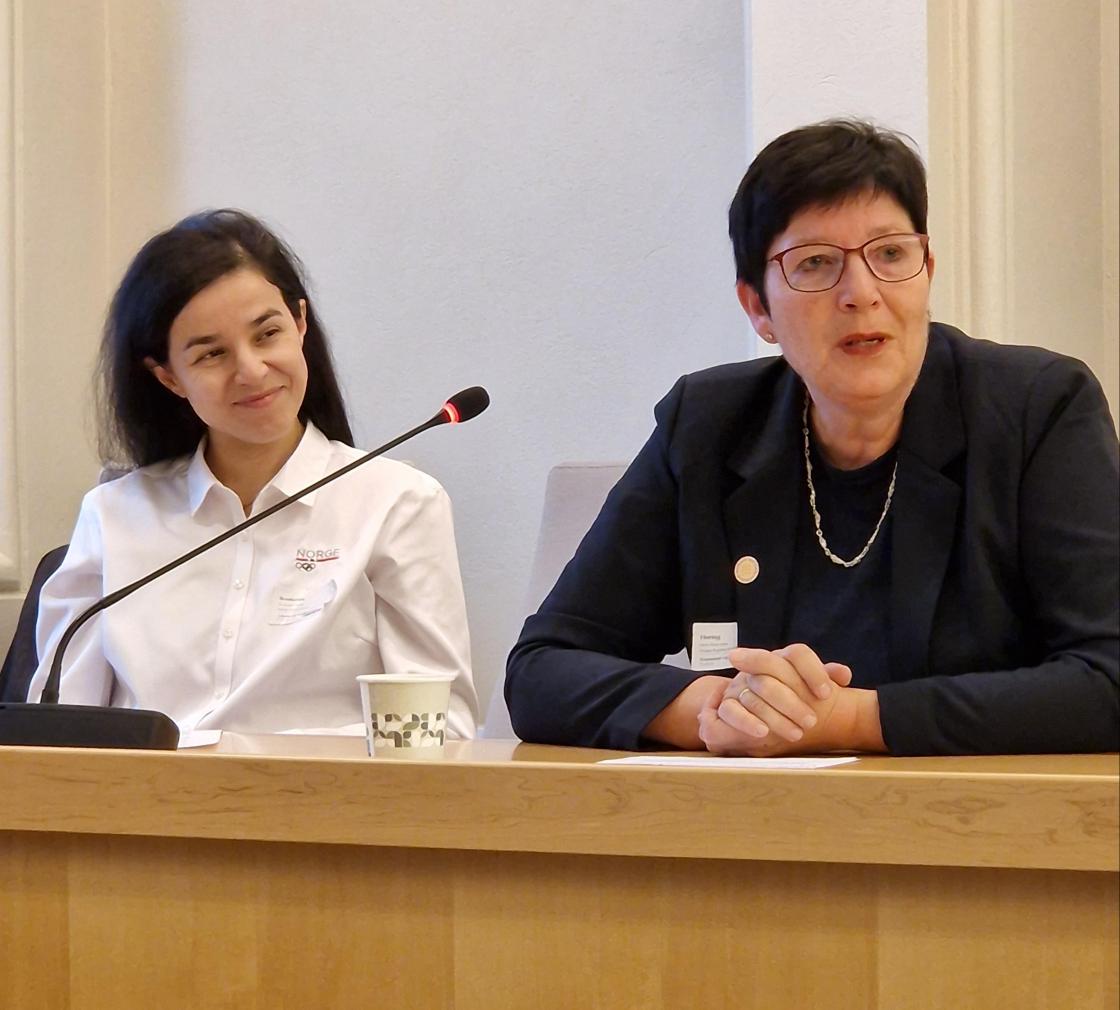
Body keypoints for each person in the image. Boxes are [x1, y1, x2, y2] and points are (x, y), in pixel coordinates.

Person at [505, 120, 1119, 756]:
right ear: (758, 309)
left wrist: (842, 721)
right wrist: (715, 709)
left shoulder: (1036, 409)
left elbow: (1109, 678)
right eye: (816, 263)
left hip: (975, 813)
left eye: (890, 254)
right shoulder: (709, 425)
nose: (861, 294)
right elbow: (542, 671)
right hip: (756, 815)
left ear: (927, 271)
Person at [28, 209, 478, 737]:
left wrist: (255, 770)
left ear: (300, 324)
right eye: (212, 354)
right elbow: (57, 735)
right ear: (169, 377)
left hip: (325, 790)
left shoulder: (396, 502)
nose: (251, 370)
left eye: (267, 334)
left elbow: (438, 729)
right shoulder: (113, 515)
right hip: (146, 791)